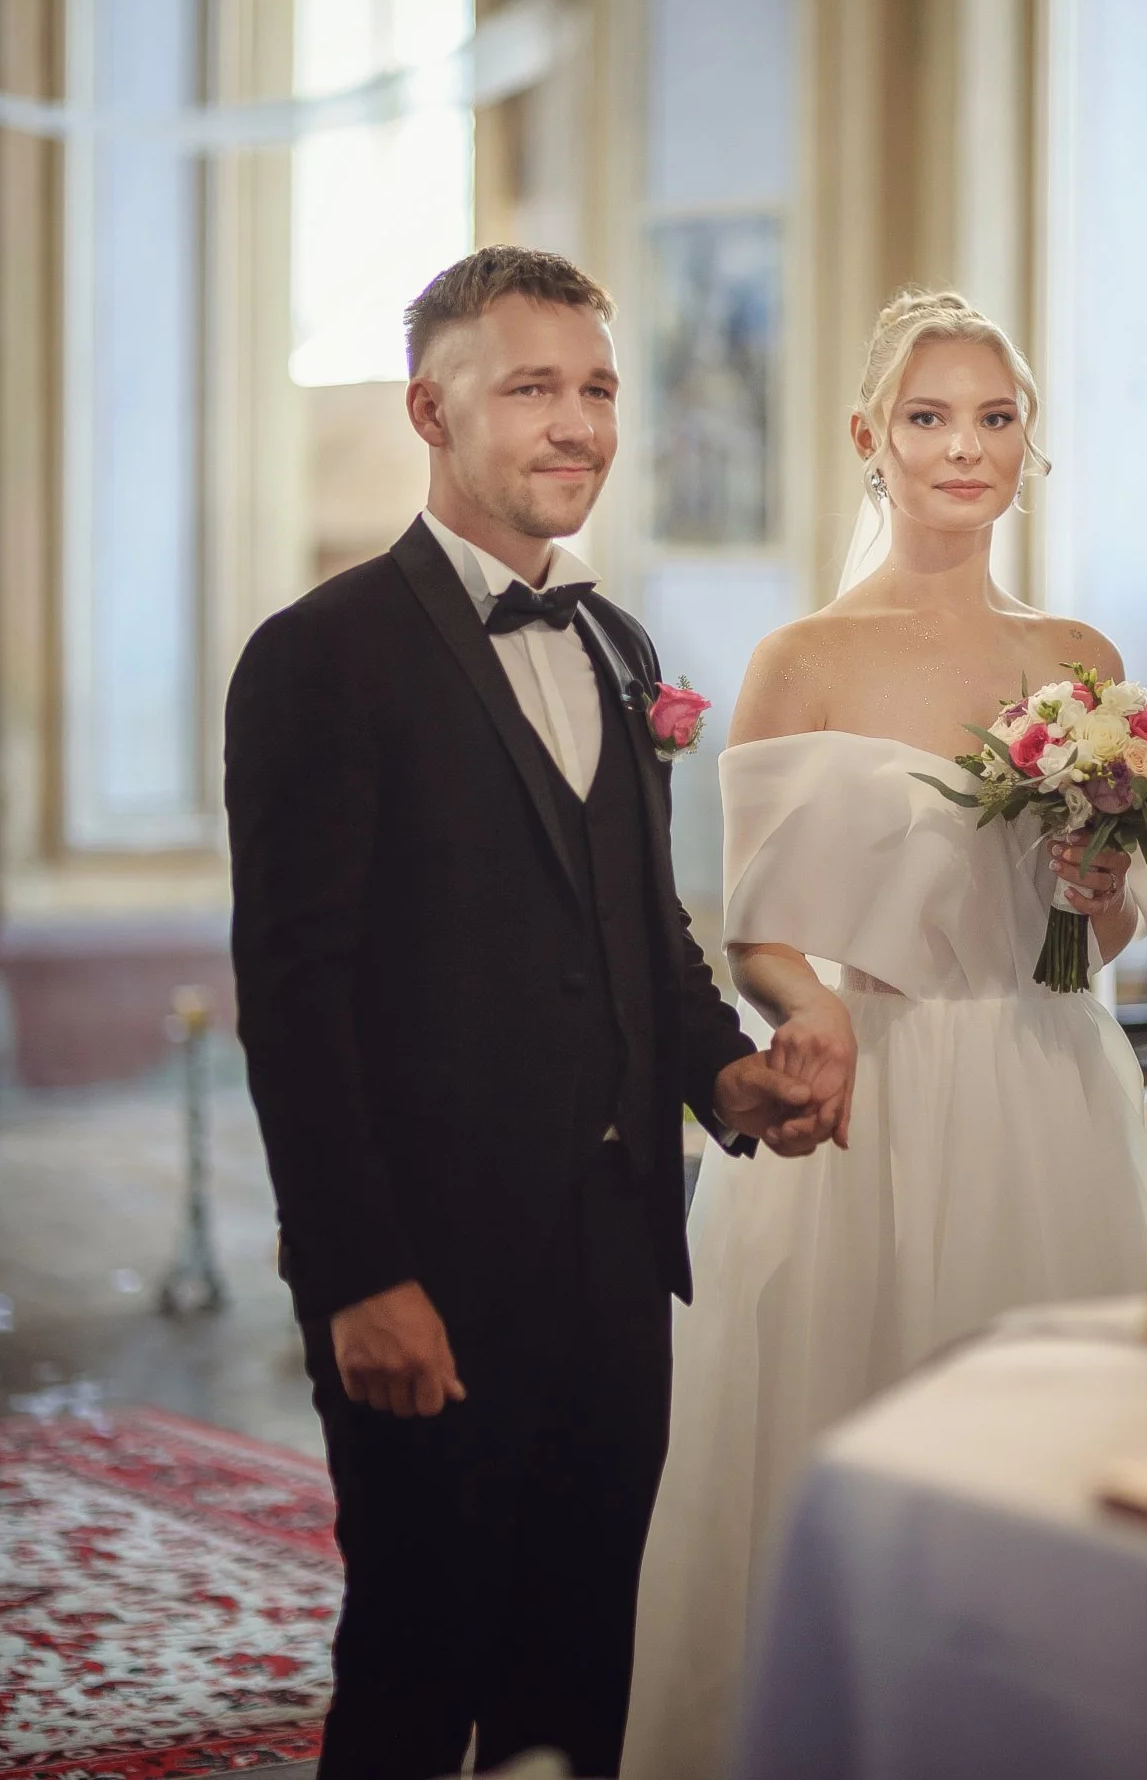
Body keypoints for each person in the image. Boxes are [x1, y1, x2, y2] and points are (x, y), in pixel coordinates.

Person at [224, 247, 847, 1780]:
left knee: (578, 1684)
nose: (577, 424)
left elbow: (644, 935)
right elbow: (293, 1006)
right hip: (428, 1277)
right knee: (414, 1678)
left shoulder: (620, 648)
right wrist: (362, 1277)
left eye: (598, 389)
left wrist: (731, 1080)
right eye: (530, 389)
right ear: (430, 411)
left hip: (620, 1270)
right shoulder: (320, 657)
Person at [622, 289, 1147, 1780]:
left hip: (1048, 1085)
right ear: (870, 438)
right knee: (860, 1434)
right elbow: (757, 932)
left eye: (995, 419)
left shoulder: (1077, 652)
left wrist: (1099, 890)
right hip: (875, 1093)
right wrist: (807, 1014)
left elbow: (1106, 927)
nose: (964, 448)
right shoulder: (802, 658)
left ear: (1028, 444)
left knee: (1058, 1460)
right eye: (930, 418)